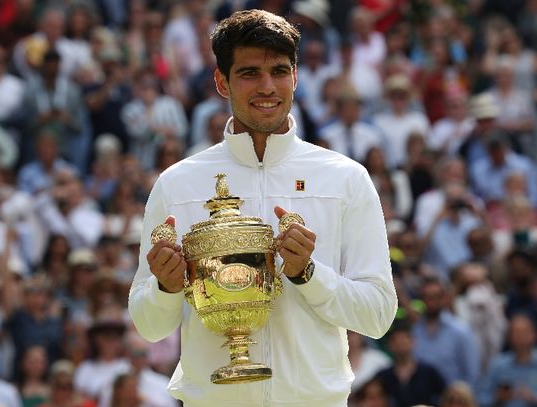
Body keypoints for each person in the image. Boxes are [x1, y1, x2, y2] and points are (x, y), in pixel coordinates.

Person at [129, 9, 397, 406]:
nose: (268, 87)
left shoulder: (346, 179)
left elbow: (377, 316)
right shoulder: (177, 184)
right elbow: (149, 325)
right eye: (250, 73)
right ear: (222, 82)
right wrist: (167, 287)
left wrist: (307, 273)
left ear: (296, 76)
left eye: (279, 70)